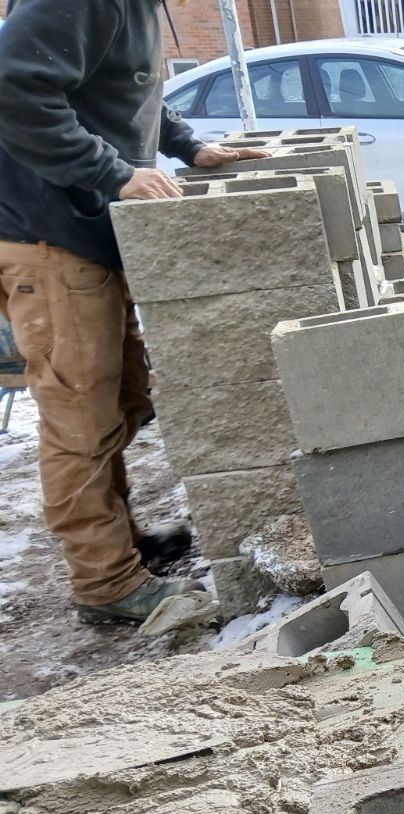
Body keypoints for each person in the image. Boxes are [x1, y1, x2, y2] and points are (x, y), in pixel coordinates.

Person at [0, 0, 267, 625]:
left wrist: (187, 146)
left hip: (86, 231)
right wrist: (113, 172)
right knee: (78, 415)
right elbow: (12, 86)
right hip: (47, 235)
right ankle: (105, 582)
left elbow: (121, 93)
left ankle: (121, 542)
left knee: (119, 400)